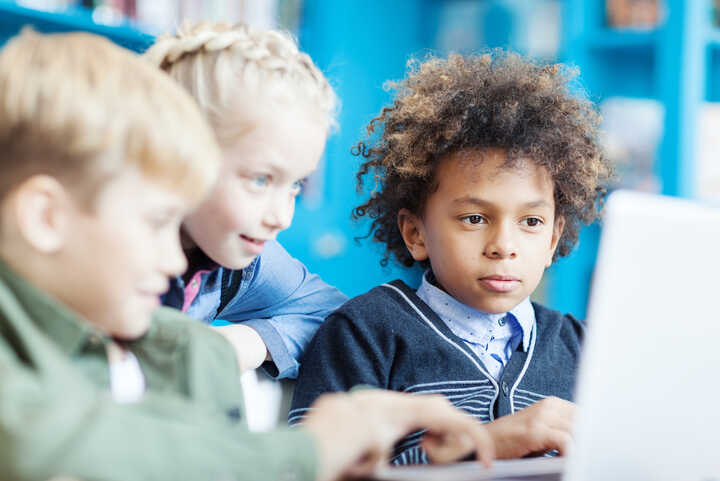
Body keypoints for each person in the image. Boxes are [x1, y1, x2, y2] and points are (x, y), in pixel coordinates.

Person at [0, 30, 497, 481]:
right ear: (45, 218)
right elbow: (40, 439)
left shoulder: (192, 317)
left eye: (296, 185)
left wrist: (233, 346)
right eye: (156, 222)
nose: (172, 258)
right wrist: (307, 452)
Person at [290, 52, 613, 465]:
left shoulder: (587, 350)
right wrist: (483, 445)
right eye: (475, 218)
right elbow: (308, 469)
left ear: (553, 239)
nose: (503, 245)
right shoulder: (363, 334)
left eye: (531, 221)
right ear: (416, 233)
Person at [143, 23, 346, 379]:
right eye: (260, 179)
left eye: (295, 184)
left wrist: (242, 343)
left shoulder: (238, 264)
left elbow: (337, 318)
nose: (282, 217)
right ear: (176, 152)